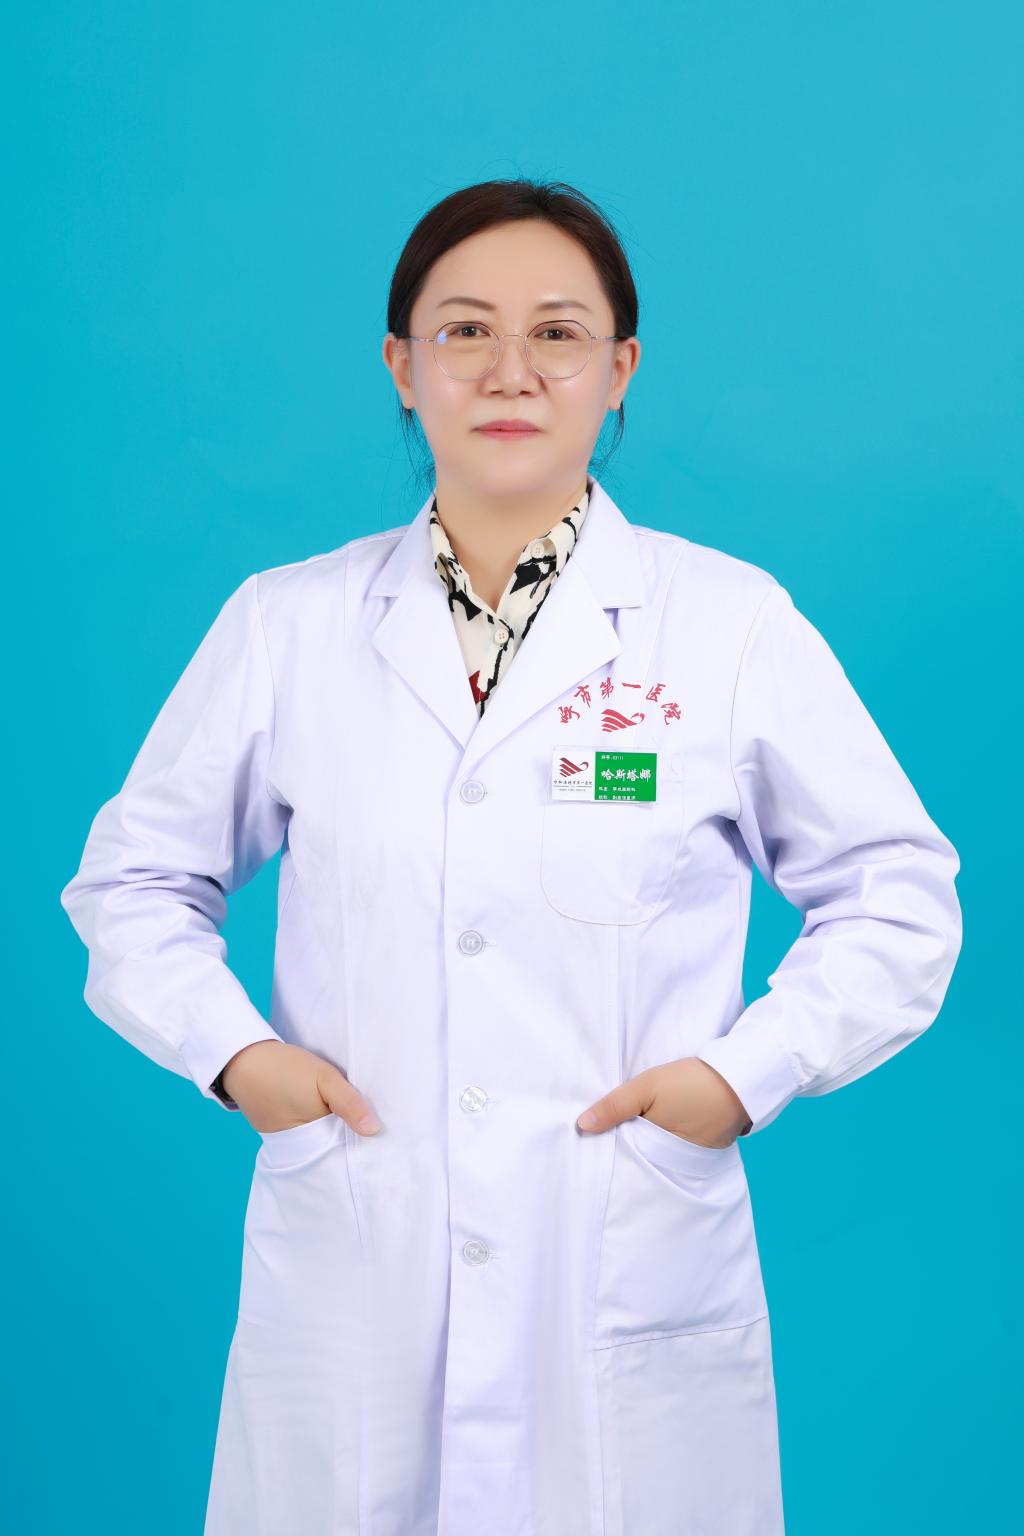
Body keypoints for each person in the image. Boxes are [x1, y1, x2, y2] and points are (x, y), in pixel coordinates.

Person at [59, 177, 963, 1536]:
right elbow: (133, 882)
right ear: (402, 366)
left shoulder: (728, 626)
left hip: (619, 1246)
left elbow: (898, 896)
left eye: (558, 334)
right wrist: (237, 1057)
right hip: (362, 1248)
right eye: (465, 330)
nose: (510, 371)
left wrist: (743, 1076)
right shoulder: (287, 626)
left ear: (620, 370)